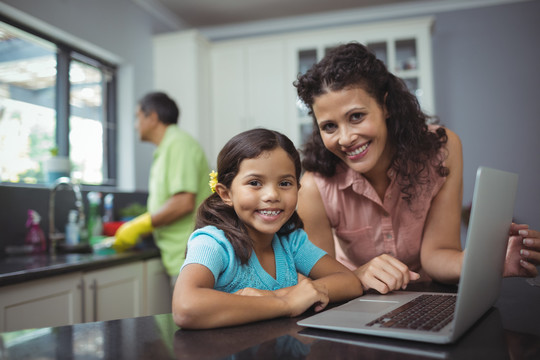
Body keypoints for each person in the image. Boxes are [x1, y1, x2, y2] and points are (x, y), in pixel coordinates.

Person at [294, 42, 540, 295]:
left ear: (385, 105)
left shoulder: (441, 152)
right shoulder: (314, 187)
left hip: (426, 294)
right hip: (355, 297)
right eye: (329, 127)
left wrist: (488, 262)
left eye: (356, 116)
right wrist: (358, 275)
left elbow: (438, 255)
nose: (345, 138)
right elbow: (319, 283)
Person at [172, 128, 363, 329]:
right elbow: (186, 307)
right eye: (255, 183)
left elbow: (350, 282)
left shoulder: (291, 241)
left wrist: (275, 295)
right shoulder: (212, 242)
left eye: (284, 183)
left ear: (298, 190)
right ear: (226, 193)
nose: (272, 195)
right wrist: (287, 303)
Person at [113, 91, 212, 287]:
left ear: (153, 117)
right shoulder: (167, 147)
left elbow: (184, 202)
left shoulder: (178, 144)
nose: (135, 125)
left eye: (137, 117)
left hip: (191, 256)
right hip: (180, 255)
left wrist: (139, 225)